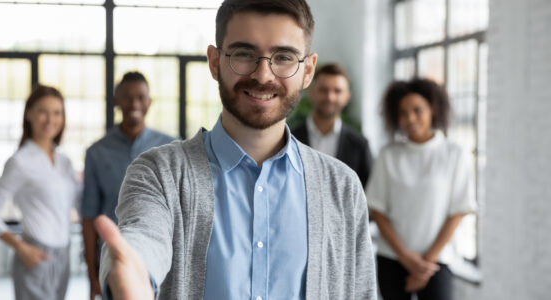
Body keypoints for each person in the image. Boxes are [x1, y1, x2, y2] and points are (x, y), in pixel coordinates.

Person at [95, 0, 377, 299]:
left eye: (283, 57)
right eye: (244, 54)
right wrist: (133, 271)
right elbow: (143, 236)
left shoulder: (342, 187)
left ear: (307, 71)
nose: (263, 75)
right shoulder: (159, 173)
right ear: (215, 62)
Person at [366, 78, 477, 300]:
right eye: (403, 113)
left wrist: (425, 263)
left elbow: (458, 211)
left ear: (433, 110)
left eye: (417, 110)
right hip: (392, 258)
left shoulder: (454, 154)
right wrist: (406, 258)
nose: (410, 118)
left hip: (437, 261)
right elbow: (378, 211)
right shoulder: (389, 154)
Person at [0, 85, 81, 300]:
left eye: (57, 112)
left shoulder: (64, 161)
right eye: (43, 111)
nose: (50, 119)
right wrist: (19, 247)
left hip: (64, 255)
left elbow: (77, 204)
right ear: (29, 114)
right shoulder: (20, 161)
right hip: (34, 254)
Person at [80, 71, 175, 300]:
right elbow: (89, 216)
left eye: (141, 97)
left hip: (161, 262)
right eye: (127, 97)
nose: (134, 103)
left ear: (149, 102)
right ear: (116, 101)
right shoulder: (96, 152)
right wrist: (92, 278)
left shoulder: (171, 148)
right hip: (112, 262)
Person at [291, 63, 373, 187]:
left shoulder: (359, 146)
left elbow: (365, 196)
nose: (330, 97)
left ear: (347, 97)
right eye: (323, 90)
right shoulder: (290, 140)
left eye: (337, 91)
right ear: (311, 92)